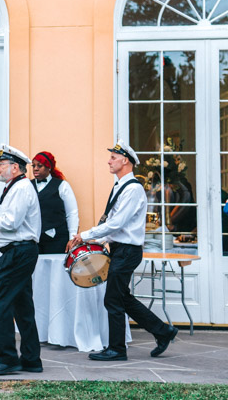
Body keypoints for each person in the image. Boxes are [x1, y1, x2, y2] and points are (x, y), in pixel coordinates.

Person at [67, 142, 178, 362]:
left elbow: (117, 223)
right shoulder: (121, 186)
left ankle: (117, 349)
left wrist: (86, 235)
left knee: (112, 300)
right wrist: (97, 238)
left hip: (128, 251)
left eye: (113, 157)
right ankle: (163, 331)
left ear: (125, 160)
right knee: (123, 298)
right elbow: (116, 227)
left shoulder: (133, 189)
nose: (109, 161)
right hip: (119, 249)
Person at [0, 145, 42, 376]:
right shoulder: (15, 187)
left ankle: (7, 359)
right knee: (23, 307)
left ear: (15, 167)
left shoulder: (21, 188)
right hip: (18, 250)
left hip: (19, 253)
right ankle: (31, 360)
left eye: (2, 164)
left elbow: (11, 221)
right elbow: (13, 224)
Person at [29, 150, 79, 254]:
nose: (35, 169)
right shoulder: (27, 186)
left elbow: (72, 213)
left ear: (49, 167)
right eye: (33, 166)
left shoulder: (62, 185)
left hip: (57, 240)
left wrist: (72, 238)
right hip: (33, 240)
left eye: (40, 165)